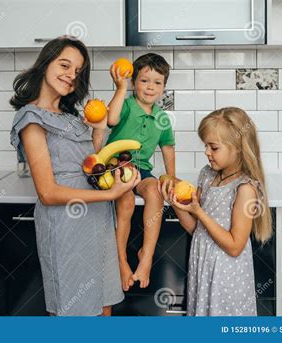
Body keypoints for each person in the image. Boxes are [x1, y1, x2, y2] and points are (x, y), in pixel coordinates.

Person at [9, 36, 140, 316]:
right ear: (45, 64)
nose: (71, 75)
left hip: (97, 219)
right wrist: (111, 194)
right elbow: (47, 192)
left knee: (104, 307)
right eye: (65, 65)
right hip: (65, 226)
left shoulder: (70, 115)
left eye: (78, 71)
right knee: (75, 312)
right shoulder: (31, 119)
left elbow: (89, 163)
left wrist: (100, 127)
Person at [159, 107, 272, 316]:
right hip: (202, 264)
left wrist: (199, 212)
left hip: (226, 275)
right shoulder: (207, 174)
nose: (206, 152)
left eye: (214, 147)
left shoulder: (245, 189)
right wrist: (175, 202)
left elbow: (235, 247)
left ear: (238, 147)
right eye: (206, 145)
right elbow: (195, 228)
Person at [106, 53, 175, 291]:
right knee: (124, 203)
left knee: (155, 193)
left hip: (142, 170)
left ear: (164, 86)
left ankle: (146, 255)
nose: (150, 87)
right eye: (144, 80)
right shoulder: (125, 105)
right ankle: (122, 260)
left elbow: (167, 147)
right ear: (134, 82)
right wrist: (120, 88)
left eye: (157, 82)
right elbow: (111, 120)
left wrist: (171, 175)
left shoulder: (162, 117)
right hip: (116, 168)